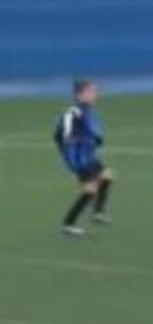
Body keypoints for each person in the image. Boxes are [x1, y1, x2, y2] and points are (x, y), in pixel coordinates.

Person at [53, 79, 115, 236]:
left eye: (95, 91)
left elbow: (92, 132)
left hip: (88, 155)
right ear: (80, 95)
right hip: (78, 158)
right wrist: (71, 149)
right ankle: (68, 224)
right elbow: (63, 135)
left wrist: (94, 140)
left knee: (107, 176)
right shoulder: (73, 112)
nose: (96, 94)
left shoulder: (87, 111)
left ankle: (97, 213)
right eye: (91, 91)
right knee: (90, 190)